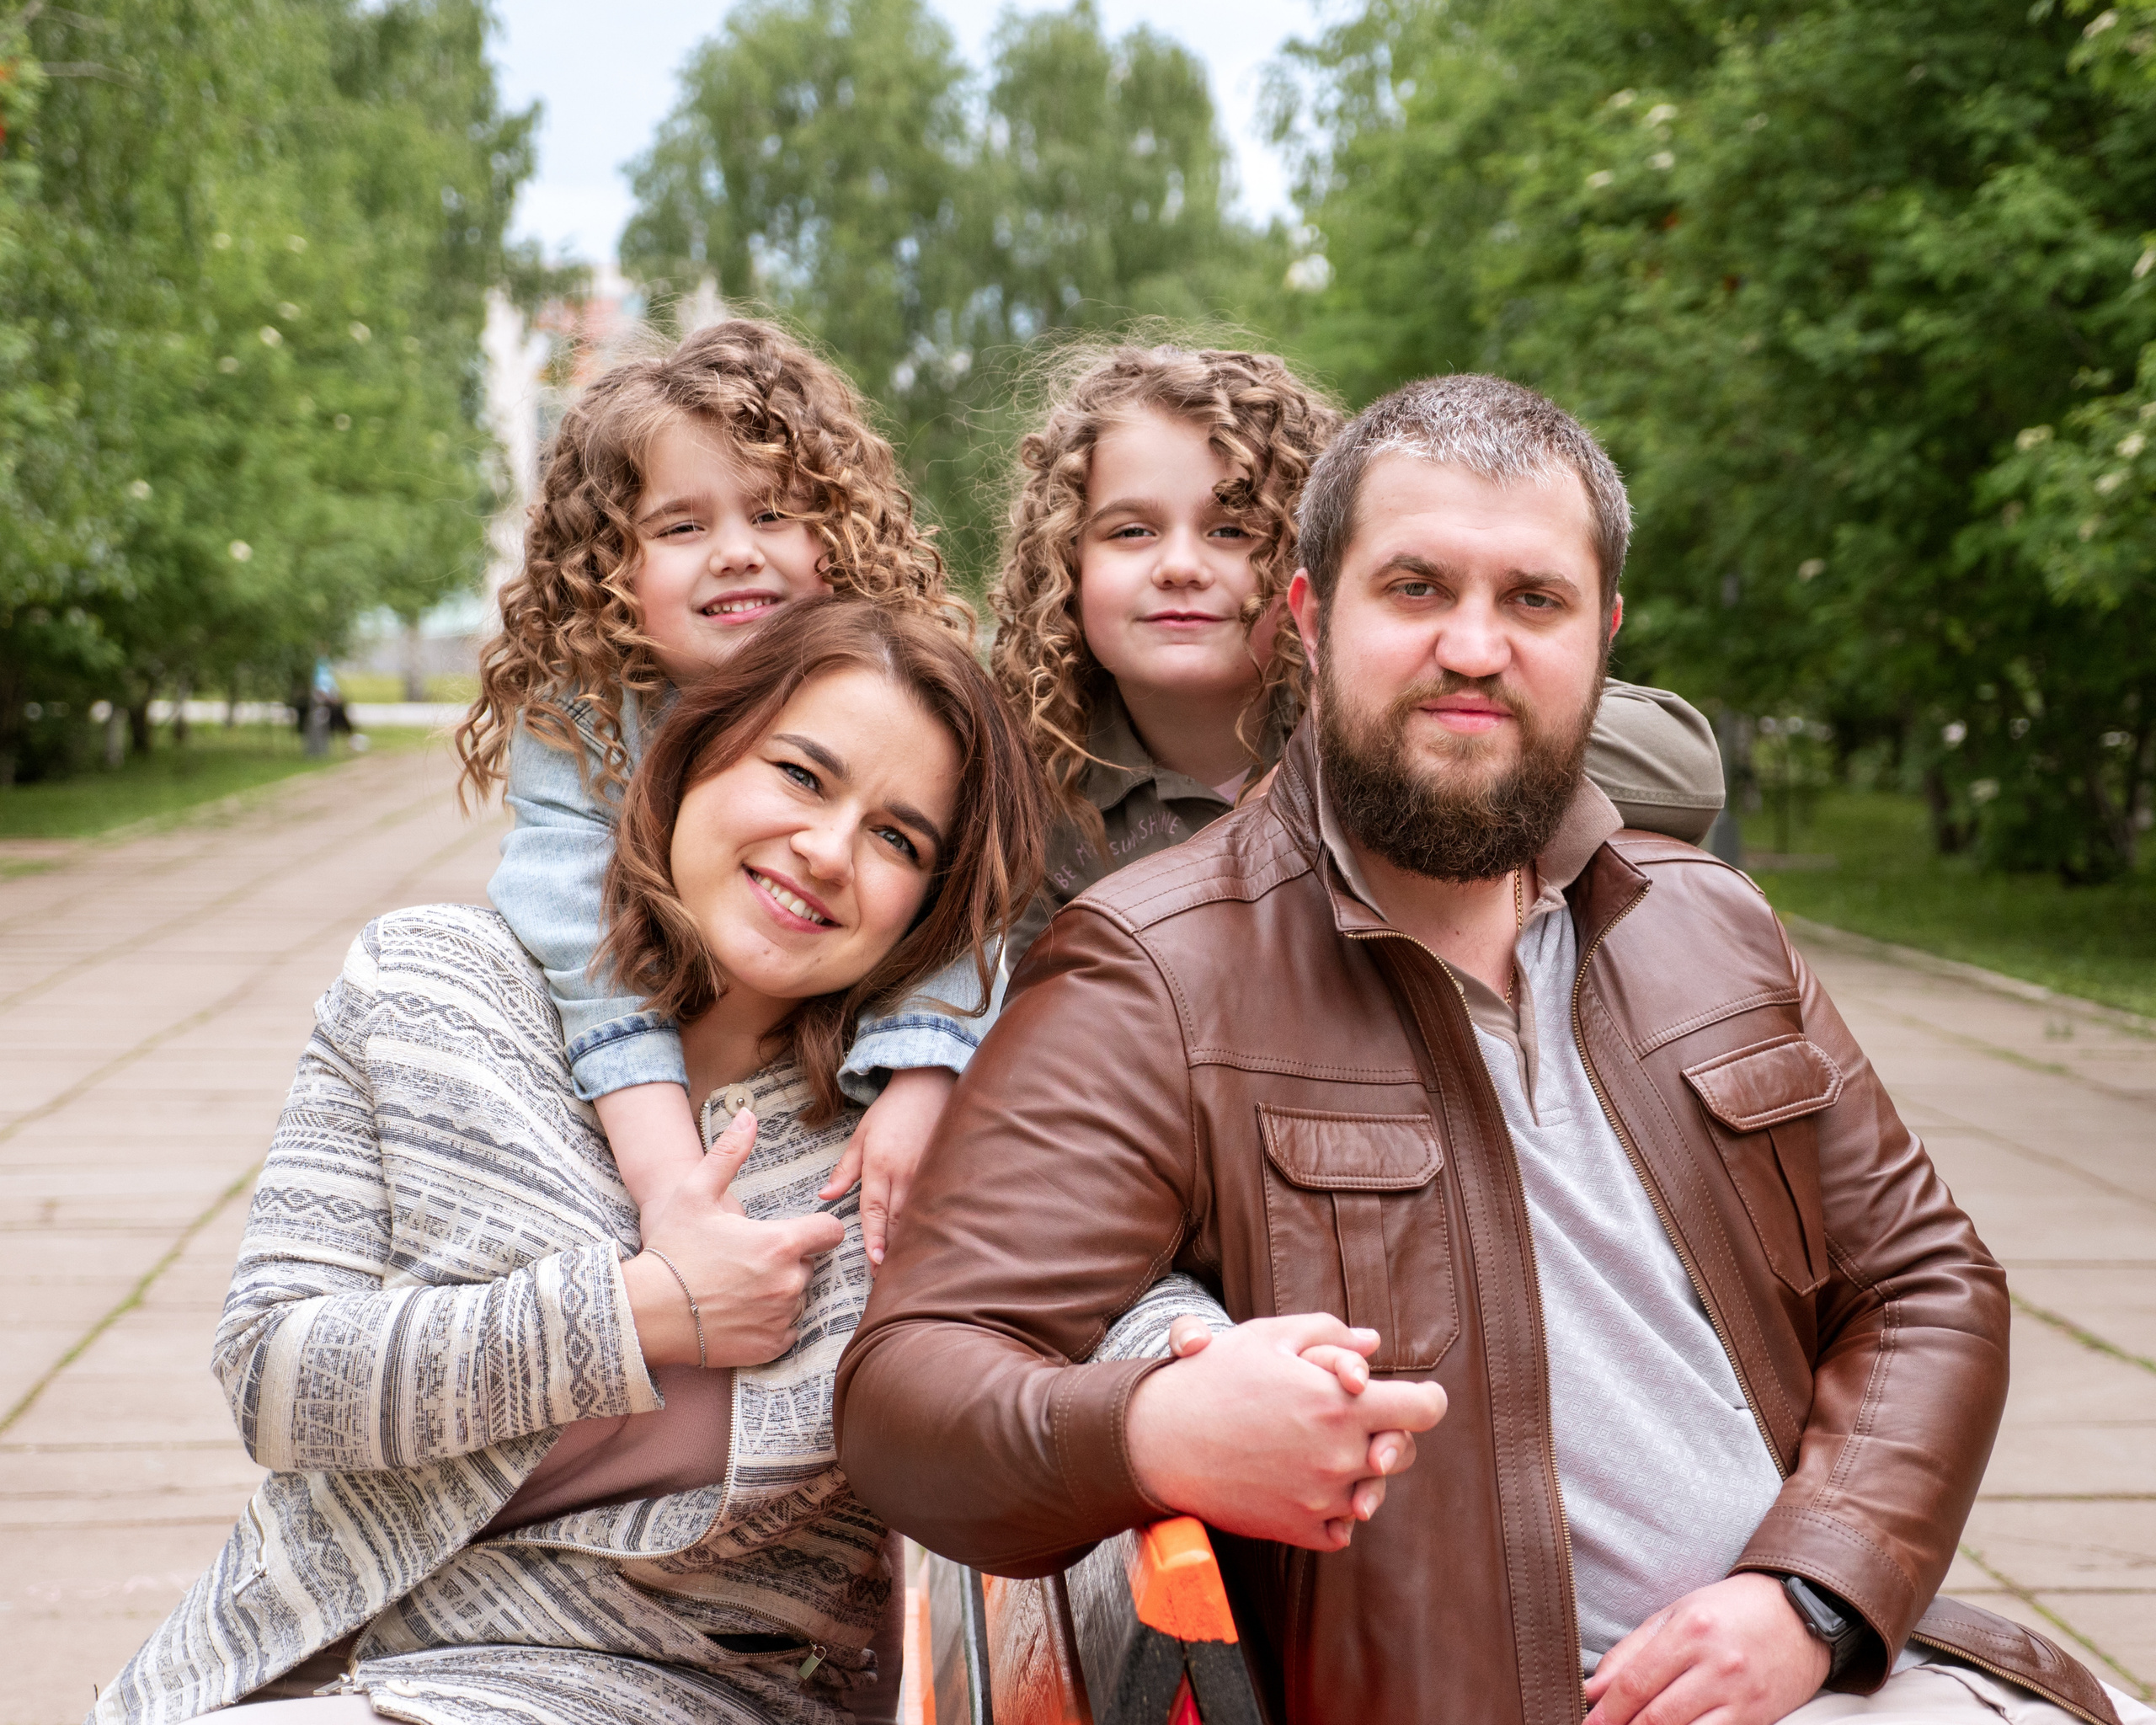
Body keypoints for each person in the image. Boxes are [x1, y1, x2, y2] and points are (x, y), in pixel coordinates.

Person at [835, 376, 2149, 1725]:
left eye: (1534, 601)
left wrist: (1811, 1596)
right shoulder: (1158, 971)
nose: (1475, 648)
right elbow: (907, 1397)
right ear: (1311, 618)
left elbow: (1932, 1285)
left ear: (1605, 635)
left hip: (1863, 1660)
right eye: (1415, 589)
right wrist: (1150, 1430)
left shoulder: (1707, 924)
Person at [97, 600, 1049, 1725]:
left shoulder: (903, 1148)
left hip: (662, 1688)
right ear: (694, 756)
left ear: (930, 909)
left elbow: (1102, 1308)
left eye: (898, 839)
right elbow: (276, 1380)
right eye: (800, 775)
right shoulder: (432, 989)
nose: (830, 851)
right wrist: (640, 1313)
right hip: (263, 1667)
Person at [456, 318, 985, 1268]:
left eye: (774, 513)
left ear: (840, 530)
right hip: (635, 1094)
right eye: (681, 526)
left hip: (828, 1069)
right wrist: (668, 1192)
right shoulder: (583, 718)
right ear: (608, 568)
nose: (737, 551)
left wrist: (925, 1074)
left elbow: (983, 900)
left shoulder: (903, 695)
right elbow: (584, 949)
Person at [989, 342, 1730, 964]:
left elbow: (1687, 771)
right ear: (1064, 561)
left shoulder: (1381, 696)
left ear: (1315, 575)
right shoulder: (1038, 773)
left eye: (1231, 532)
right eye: (1131, 532)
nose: (1179, 566)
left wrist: (1363, 742)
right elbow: (996, 985)